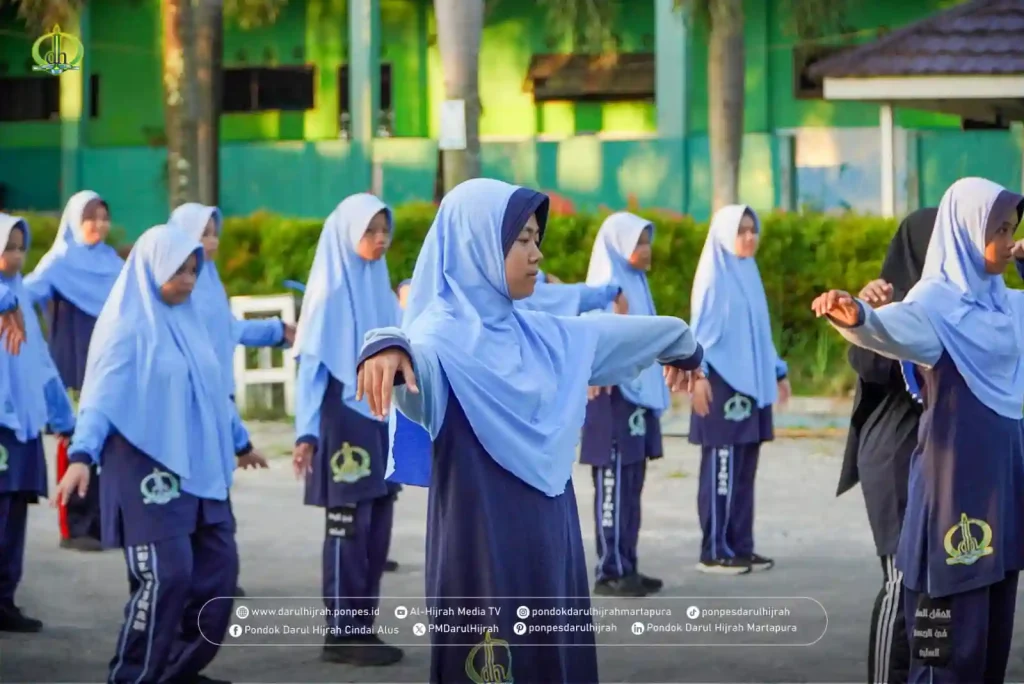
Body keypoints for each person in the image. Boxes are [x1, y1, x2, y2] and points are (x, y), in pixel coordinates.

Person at [355, 178, 705, 683]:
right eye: (521, 241)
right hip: (481, 551)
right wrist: (387, 345)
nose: (536, 254)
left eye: (536, 239)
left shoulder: (536, 333)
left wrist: (681, 342)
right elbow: (414, 378)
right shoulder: (437, 342)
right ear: (477, 245)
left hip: (550, 544)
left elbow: (609, 335)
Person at [813, 177, 1024, 683]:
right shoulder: (934, 308)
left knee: (990, 642)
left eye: (1011, 227)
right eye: (997, 229)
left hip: (1001, 494)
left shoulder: (1005, 306)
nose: (1007, 239)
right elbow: (889, 330)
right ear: (964, 234)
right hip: (952, 501)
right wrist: (858, 315)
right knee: (943, 646)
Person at [53, 224, 268, 684]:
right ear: (151, 270)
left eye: (193, 270)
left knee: (217, 583)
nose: (188, 279)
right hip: (148, 472)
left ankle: (176, 672)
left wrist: (240, 442)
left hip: (204, 473)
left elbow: (213, 394)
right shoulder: (125, 329)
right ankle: (133, 676)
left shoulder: (193, 326)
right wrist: (81, 455)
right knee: (166, 579)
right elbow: (99, 400)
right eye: (178, 270)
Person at [290, 193, 403, 667]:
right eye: (369, 231)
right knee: (347, 528)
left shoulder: (378, 284)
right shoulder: (329, 292)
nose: (379, 240)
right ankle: (340, 632)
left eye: (384, 230)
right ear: (346, 234)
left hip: (380, 416)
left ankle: (364, 627)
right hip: (342, 419)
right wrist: (306, 433)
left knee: (378, 528)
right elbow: (313, 367)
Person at [168, 202, 296, 596]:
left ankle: (214, 575)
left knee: (216, 486)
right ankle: (199, 579)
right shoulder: (183, 287)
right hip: (195, 401)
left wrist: (277, 331)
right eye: (203, 232)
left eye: (213, 231)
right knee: (195, 490)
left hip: (218, 397)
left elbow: (229, 330)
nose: (213, 240)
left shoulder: (208, 281)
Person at [837, 207, 937, 684]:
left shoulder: (961, 300)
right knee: (903, 581)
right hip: (895, 452)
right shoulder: (890, 296)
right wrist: (869, 317)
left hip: (940, 455)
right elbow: (870, 365)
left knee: (940, 585)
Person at [686, 205, 790, 575]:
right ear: (725, 235)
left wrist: (777, 371)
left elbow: (759, 334)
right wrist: (696, 377)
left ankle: (741, 546)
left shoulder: (749, 272)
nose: (750, 237)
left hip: (753, 386)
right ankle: (713, 550)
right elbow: (700, 335)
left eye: (753, 229)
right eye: (741, 230)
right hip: (721, 386)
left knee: (745, 471)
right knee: (722, 470)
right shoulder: (715, 278)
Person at [24, 190, 123, 552]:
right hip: (72, 362)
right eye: (90, 217)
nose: (99, 225)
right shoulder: (59, 263)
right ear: (74, 221)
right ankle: (75, 526)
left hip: (109, 362)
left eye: (104, 217)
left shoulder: (114, 263)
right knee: (74, 440)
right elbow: (23, 294)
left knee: (109, 439)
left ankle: (105, 522)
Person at [577, 211, 668, 597]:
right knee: (612, 482)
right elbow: (590, 338)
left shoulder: (637, 284)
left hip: (638, 400)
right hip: (611, 399)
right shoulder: (604, 285)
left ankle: (628, 562)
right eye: (639, 242)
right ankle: (609, 570)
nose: (646, 250)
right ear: (618, 245)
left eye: (647, 241)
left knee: (633, 482)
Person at [0, 213, 75, 632]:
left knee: (14, 517)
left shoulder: (20, 297)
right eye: (6, 247)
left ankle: (5, 599)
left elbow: (42, 364)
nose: (14, 256)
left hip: (23, 429)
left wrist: (65, 418)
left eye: (19, 247)